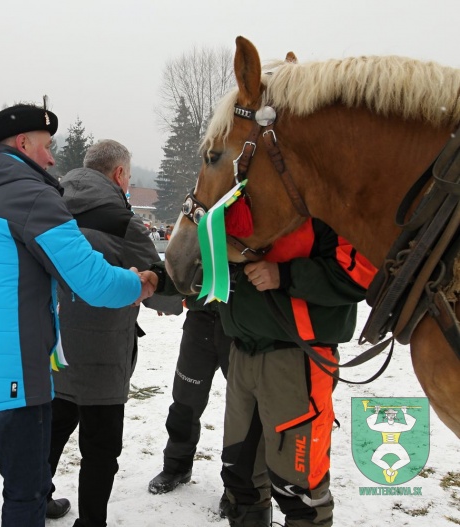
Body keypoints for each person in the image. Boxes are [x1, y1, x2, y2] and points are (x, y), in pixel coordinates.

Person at [0, 103, 156, 527]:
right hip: (14, 376)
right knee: (26, 492)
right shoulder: (31, 194)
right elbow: (90, 280)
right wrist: (139, 283)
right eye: (47, 146)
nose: (53, 159)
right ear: (22, 144)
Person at [46, 139, 182, 526]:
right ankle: (91, 522)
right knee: (101, 447)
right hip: (102, 352)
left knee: (53, 431)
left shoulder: (50, 204)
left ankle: (36, 498)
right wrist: (174, 299)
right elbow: (155, 287)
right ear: (120, 174)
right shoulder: (123, 221)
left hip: (52, 343)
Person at [215, 219, 375, 527]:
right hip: (242, 354)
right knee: (240, 476)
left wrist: (284, 274)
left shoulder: (327, 200)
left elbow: (361, 273)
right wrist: (161, 278)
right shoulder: (244, 198)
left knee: (300, 490)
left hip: (297, 360)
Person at [147, 300, 232, 495]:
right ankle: (177, 466)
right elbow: (181, 269)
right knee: (185, 402)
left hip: (242, 324)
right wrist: (168, 295)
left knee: (244, 410)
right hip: (200, 318)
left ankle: (240, 486)